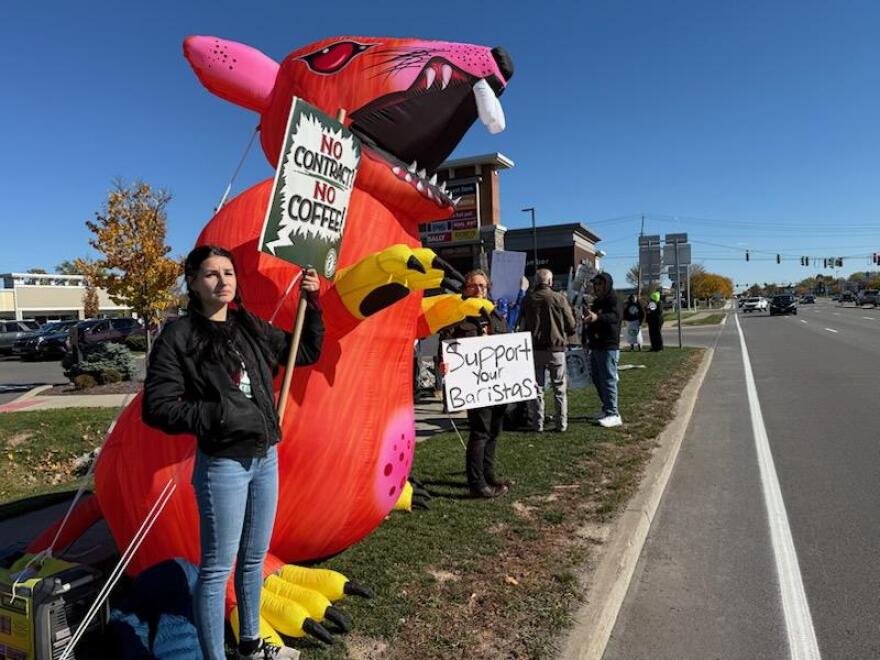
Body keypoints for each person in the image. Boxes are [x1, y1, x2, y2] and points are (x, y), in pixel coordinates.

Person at [142, 245, 323, 660]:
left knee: (254, 558)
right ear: (192, 282)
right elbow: (158, 406)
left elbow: (305, 352)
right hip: (223, 464)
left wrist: (311, 304)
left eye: (228, 272)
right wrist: (220, 413)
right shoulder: (179, 335)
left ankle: (250, 645)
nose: (222, 281)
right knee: (217, 568)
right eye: (210, 274)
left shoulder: (248, 326)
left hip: (264, 458)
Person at [439, 270, 511, 498]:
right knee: (480, 432)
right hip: (474, 385)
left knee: (494, 432)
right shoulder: (458, 315)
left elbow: (508, 343)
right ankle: (477, 483)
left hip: (498, 383)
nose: (479, 290)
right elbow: (446, 345)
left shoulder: (496, 314)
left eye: (483, 286)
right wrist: (444, 363)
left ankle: (489, 475)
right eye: (474, 286)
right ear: (465, 289)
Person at [518, 268, 577, 433]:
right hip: (556, 349)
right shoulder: (559, 298)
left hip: (535, 350)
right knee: (559, 388)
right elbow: (571, 324)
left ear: (536, 282)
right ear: (550, 282)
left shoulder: (528, 299)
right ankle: (561, 424)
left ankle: (538, 424)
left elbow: (520, 323)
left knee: (537, 389)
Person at [583, 273, 622, 428]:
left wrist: (597, 317)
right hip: (596, 345)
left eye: (600, 284)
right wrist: (587, 338)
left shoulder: (614, 299)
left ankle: (613, 413)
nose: (597, 287)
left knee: (608, 379)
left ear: (607, 284)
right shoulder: (597, 301)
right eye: (595, 284)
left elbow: (615, 317)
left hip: (608, 345)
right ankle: (606, 408)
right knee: (598, 379)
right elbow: (592, 320)